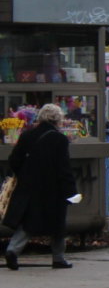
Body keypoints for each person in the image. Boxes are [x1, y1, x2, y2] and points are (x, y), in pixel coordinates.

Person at [3, 103, 78, 270]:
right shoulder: (60, 139)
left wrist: (24, 175)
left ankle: (13, 250)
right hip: (53, 190)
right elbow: (64, 168)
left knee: (28, 222)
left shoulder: (27, 135)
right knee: (58, 224)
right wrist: (71, 192)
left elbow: (14, 160)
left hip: (29, 187)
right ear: (58, 119)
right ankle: (58, 258)